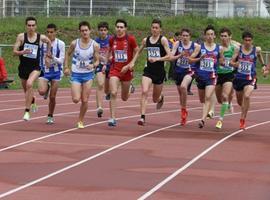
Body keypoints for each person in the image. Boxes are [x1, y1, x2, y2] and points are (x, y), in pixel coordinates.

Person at [130, 18, 171, 126]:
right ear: (150, 28)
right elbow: (138, 51)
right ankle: (142, 117)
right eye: (153, 27)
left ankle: (161, 97)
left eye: (156, 28)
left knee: (154, 99)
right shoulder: (146, 40)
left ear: (160, 29)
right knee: (144, 91)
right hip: (148, 71)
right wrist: (133, 62)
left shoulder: (163, 40)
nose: (154, 29)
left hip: (159, 72)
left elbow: (169, 56)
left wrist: (157, 59)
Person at [13, 16, 51, 121]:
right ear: (26, 26)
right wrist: (22, 52)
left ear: (36, 26)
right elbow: (14, 52)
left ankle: (26, 112)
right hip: (23, 68)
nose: (31, 27)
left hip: (35, 67)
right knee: (27, 91)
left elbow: (48, 42)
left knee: (30, 84)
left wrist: (48, 53)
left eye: (33, 25)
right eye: (29, 25)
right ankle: (33, 100)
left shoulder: (40, 37)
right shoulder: (21, 37)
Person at [64, 21, 99, 129]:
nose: (84, 32)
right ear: (80, 32)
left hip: (88, 75)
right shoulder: (75, 43)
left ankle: (80, 120)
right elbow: (67, 54)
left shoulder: (95, 45)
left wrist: (93, 65)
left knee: (85, 100)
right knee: (75, 99)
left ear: (90, 31)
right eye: (82, 30)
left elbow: (97, 61)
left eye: (86, 30)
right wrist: (66, 67)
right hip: (76, 74)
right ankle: (76, 89)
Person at [230, 31, 269, 129]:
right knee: (240, 102)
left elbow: (260, 57)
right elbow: (231, 62)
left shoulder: (256, 50)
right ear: (243, 41)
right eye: (246, 40)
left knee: (247, 96)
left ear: (252, 41)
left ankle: (242, 119)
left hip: (251, 78)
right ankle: (245, 108)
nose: (248, 42)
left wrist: (264, 65)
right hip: (239, 78)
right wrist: (235, 64)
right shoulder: (238, 50)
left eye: (249, 40)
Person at [189, 25, 224, 128]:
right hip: (200, 76)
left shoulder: (219, 48)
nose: (210, 36)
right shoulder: (200, 47)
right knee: (202, 99)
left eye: (211, 34)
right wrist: (200, 58)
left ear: (214, 36)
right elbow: (190, 59)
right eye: (208, 34)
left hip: (212, 76)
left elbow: (221, 60)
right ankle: (206, 112)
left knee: (208, 97)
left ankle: (203, 120)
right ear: (205, 36)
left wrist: (223, 63)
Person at [107, 19, 139, 126]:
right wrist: (109, 59)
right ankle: (112, 118)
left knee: (124, 98)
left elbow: (137, 51)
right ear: (115, 28)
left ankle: (130, 88)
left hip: (126, 72)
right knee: (113, 92)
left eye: (121, 27)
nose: (119, 29)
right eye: (117, 27)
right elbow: (110, 51)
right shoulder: (112, 39)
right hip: (115, 70)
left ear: (125, 28)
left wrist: (131, 64)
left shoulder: (130, 39)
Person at [170, 28, 199, 125]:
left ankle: (184, 111)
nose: (185, 37)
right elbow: (171, 57)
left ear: (190, 36)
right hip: (178, 71)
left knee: (183, 87)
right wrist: (179, 56)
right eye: (183, 36)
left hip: (189, 70)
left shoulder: (195, 46)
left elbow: (197, 56)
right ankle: (183, 109)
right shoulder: (177, 44)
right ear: (181, 36)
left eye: (187, 36)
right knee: (181, 94)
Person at [38, 23, 65, 124]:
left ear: (56, 32)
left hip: (56, 72)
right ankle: (46, 88)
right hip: (44, 71)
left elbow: (61, 60)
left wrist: (52, 58)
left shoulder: (60, 44)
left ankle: (50, 115)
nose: (49, 34)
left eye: (52, 32)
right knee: (41, 91)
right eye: (48, 32)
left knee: (52, 97)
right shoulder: (42, 43)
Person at [215, 27, 239, 129]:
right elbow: (220, 61)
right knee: (220, 100)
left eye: (225, 36)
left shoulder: (235, 48)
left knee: (225, 96)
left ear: (230, 37)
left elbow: (234, 60)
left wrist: (233, 63)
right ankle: (228, 103)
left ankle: (220, 120)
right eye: (222, 36)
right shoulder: (218, 48)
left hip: (229, 74)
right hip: (218, 75)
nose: (223, 38)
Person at [95, 21, 111, 118]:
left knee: (107, 89)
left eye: (105, 30)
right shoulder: (95, 41)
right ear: (98, 31)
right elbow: (95, 54)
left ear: (107, 31)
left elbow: (114, 52)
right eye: (101, 30)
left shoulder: (111, 40)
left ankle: (108, 93)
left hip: (110, 65)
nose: (103, 32)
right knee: (100, 84)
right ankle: (99, 107)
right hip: (100, 65)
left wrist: (108, 60)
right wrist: (101, 59)